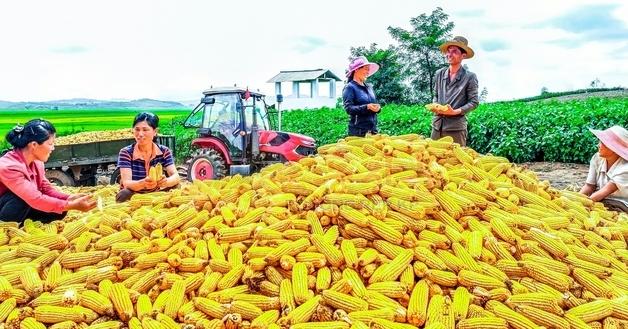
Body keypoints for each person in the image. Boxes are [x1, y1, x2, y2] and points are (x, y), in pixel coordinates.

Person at [0, 119, 96, 223]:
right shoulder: (9, 167)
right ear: (34, 145)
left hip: (23, 204)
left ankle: (27, 227)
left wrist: (70, 198)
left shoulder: (37, 162)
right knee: (21, 199)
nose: (53, 148)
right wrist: (72, 205)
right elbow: (35, 198)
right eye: (50, 144)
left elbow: (46, 189)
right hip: (7, 206)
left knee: (60, 210)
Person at [116, 112, 180, 202]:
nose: (140, 134)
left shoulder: (164, 151)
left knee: (176, 186)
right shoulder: (126, 153)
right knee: (123, 194)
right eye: (137, 129)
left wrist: (166, 181)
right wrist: (143, 184)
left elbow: (176, 176)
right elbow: (126, 183)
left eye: (145, 130)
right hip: (134, 195)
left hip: (156, 194)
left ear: (155, 132)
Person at [431, 36, 479, 146]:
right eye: (448, 51)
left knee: (455, 161)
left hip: (456, 129)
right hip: (437, 126)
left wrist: (454, 112)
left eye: (454, 52)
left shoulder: (470, 77)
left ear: (463, 55)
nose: (449, 54)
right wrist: (436, 105)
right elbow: (436, 95)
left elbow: (474, 102)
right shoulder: (439, 73)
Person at [580, 125, 628, 211]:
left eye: (602, 143)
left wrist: (582, 205)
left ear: (613, 148)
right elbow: (589, 186)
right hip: (602, 200)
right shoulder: (597, 158)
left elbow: (605, 191)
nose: (598, 145)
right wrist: (575, 199)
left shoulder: (625, 168)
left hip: (620, 204)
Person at [342, 56, 382, 137]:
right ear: (356, 70)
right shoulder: (350, 87)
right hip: (358, 132)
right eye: (366, 69)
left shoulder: (370, 87)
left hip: (373, 131)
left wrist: (378, 108)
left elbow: (374, 105)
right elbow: (349, 109)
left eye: (368, 70)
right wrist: (366, 107)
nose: (368, 72)